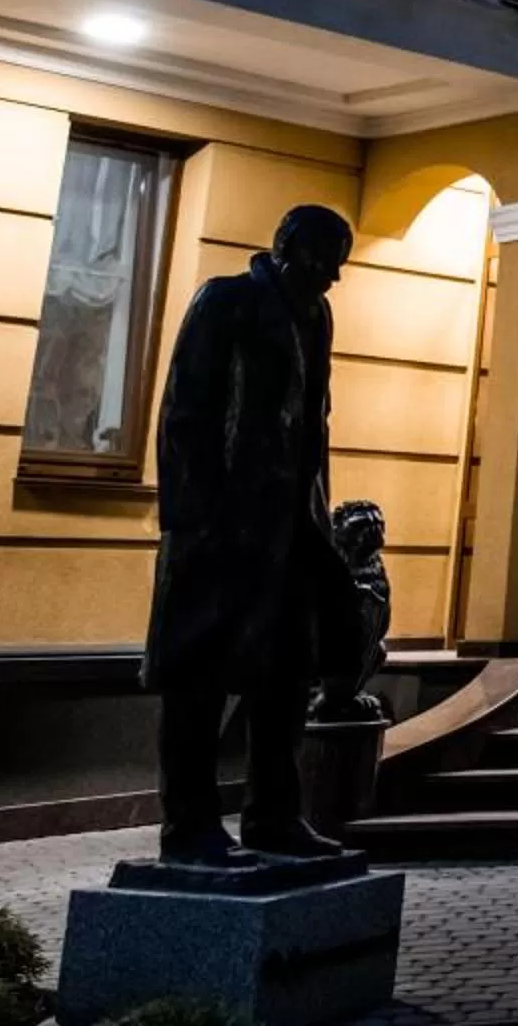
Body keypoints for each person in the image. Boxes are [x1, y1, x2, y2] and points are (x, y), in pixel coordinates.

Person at [144, 205, 356, 864]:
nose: (330, 276)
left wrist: (316, 517)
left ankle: (274, 818)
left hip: (291, 529)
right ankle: (189, 828)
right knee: (198, 683)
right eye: (321, 260)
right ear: (286, 248)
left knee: (287, 677)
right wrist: (196, 519)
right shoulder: (226, 301)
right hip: (220, 530)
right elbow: (183, 414)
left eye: (337, 265)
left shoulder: (317, 316)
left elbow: (313, 422)